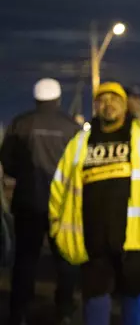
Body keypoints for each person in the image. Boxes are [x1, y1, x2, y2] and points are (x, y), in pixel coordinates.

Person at [49, 81, 140, 325]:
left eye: (115, 99)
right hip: (92, 237)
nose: (108, 104)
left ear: (124, 106)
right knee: (95, 296)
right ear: (96, 107)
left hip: (136, 237)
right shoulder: (80, 143)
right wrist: (56, 223)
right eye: (102, 100)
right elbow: (60, 184)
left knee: (132, 293)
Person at [0, 78, 80, 325]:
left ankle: (19, 312)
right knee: (65, 260)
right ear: (58, 99)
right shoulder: (71, 127)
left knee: (25, 261)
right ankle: (64, 310)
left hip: (27, 202)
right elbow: (79, 166)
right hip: (62, 205)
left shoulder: (20, 124)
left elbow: (7, 162)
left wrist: (23, 176)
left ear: (36, 99)